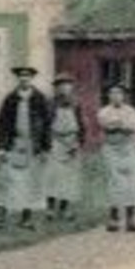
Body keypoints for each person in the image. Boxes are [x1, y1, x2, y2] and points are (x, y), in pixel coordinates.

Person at [0, 65, 52, 230]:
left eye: (27, 76)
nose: (24, 79)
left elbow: (47, 125)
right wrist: (1, 147)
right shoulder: (10, 99)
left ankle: (26, 219)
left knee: (30, 182)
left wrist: (45, 148)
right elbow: (2, 124)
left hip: (32, 145)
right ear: (17, 78)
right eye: (21, 76)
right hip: (14, 144)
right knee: (8, 180)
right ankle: (1, 219)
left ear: (31, 78)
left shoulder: (40, 98)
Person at [97, 84, 135, 232]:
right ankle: (113, 218)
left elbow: (134, 127)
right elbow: (106, 125)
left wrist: (118, 124)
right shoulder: (103, 111)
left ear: (124, 96)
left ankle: (131, 219)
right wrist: (120, 125)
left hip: (129, 148)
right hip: (111, 148)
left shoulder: (131, 111)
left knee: (132, 182)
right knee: (114, 182)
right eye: (112, 93)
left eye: (119, 93)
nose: (116, 96)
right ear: (108, 96)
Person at [42, 73, 89, 222]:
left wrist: (79, 143)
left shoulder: (76, 104)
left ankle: (63, 209)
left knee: (69, 179)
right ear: (56, 88)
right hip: (55, 141)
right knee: (53, 176)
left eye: (67, 85)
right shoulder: (50, 104)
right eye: (60, 85)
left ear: (71, 87)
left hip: (71, 141)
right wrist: (45, 144)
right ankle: (50, 209)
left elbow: (82, 125)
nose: (64, 88)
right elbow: (44, 125)